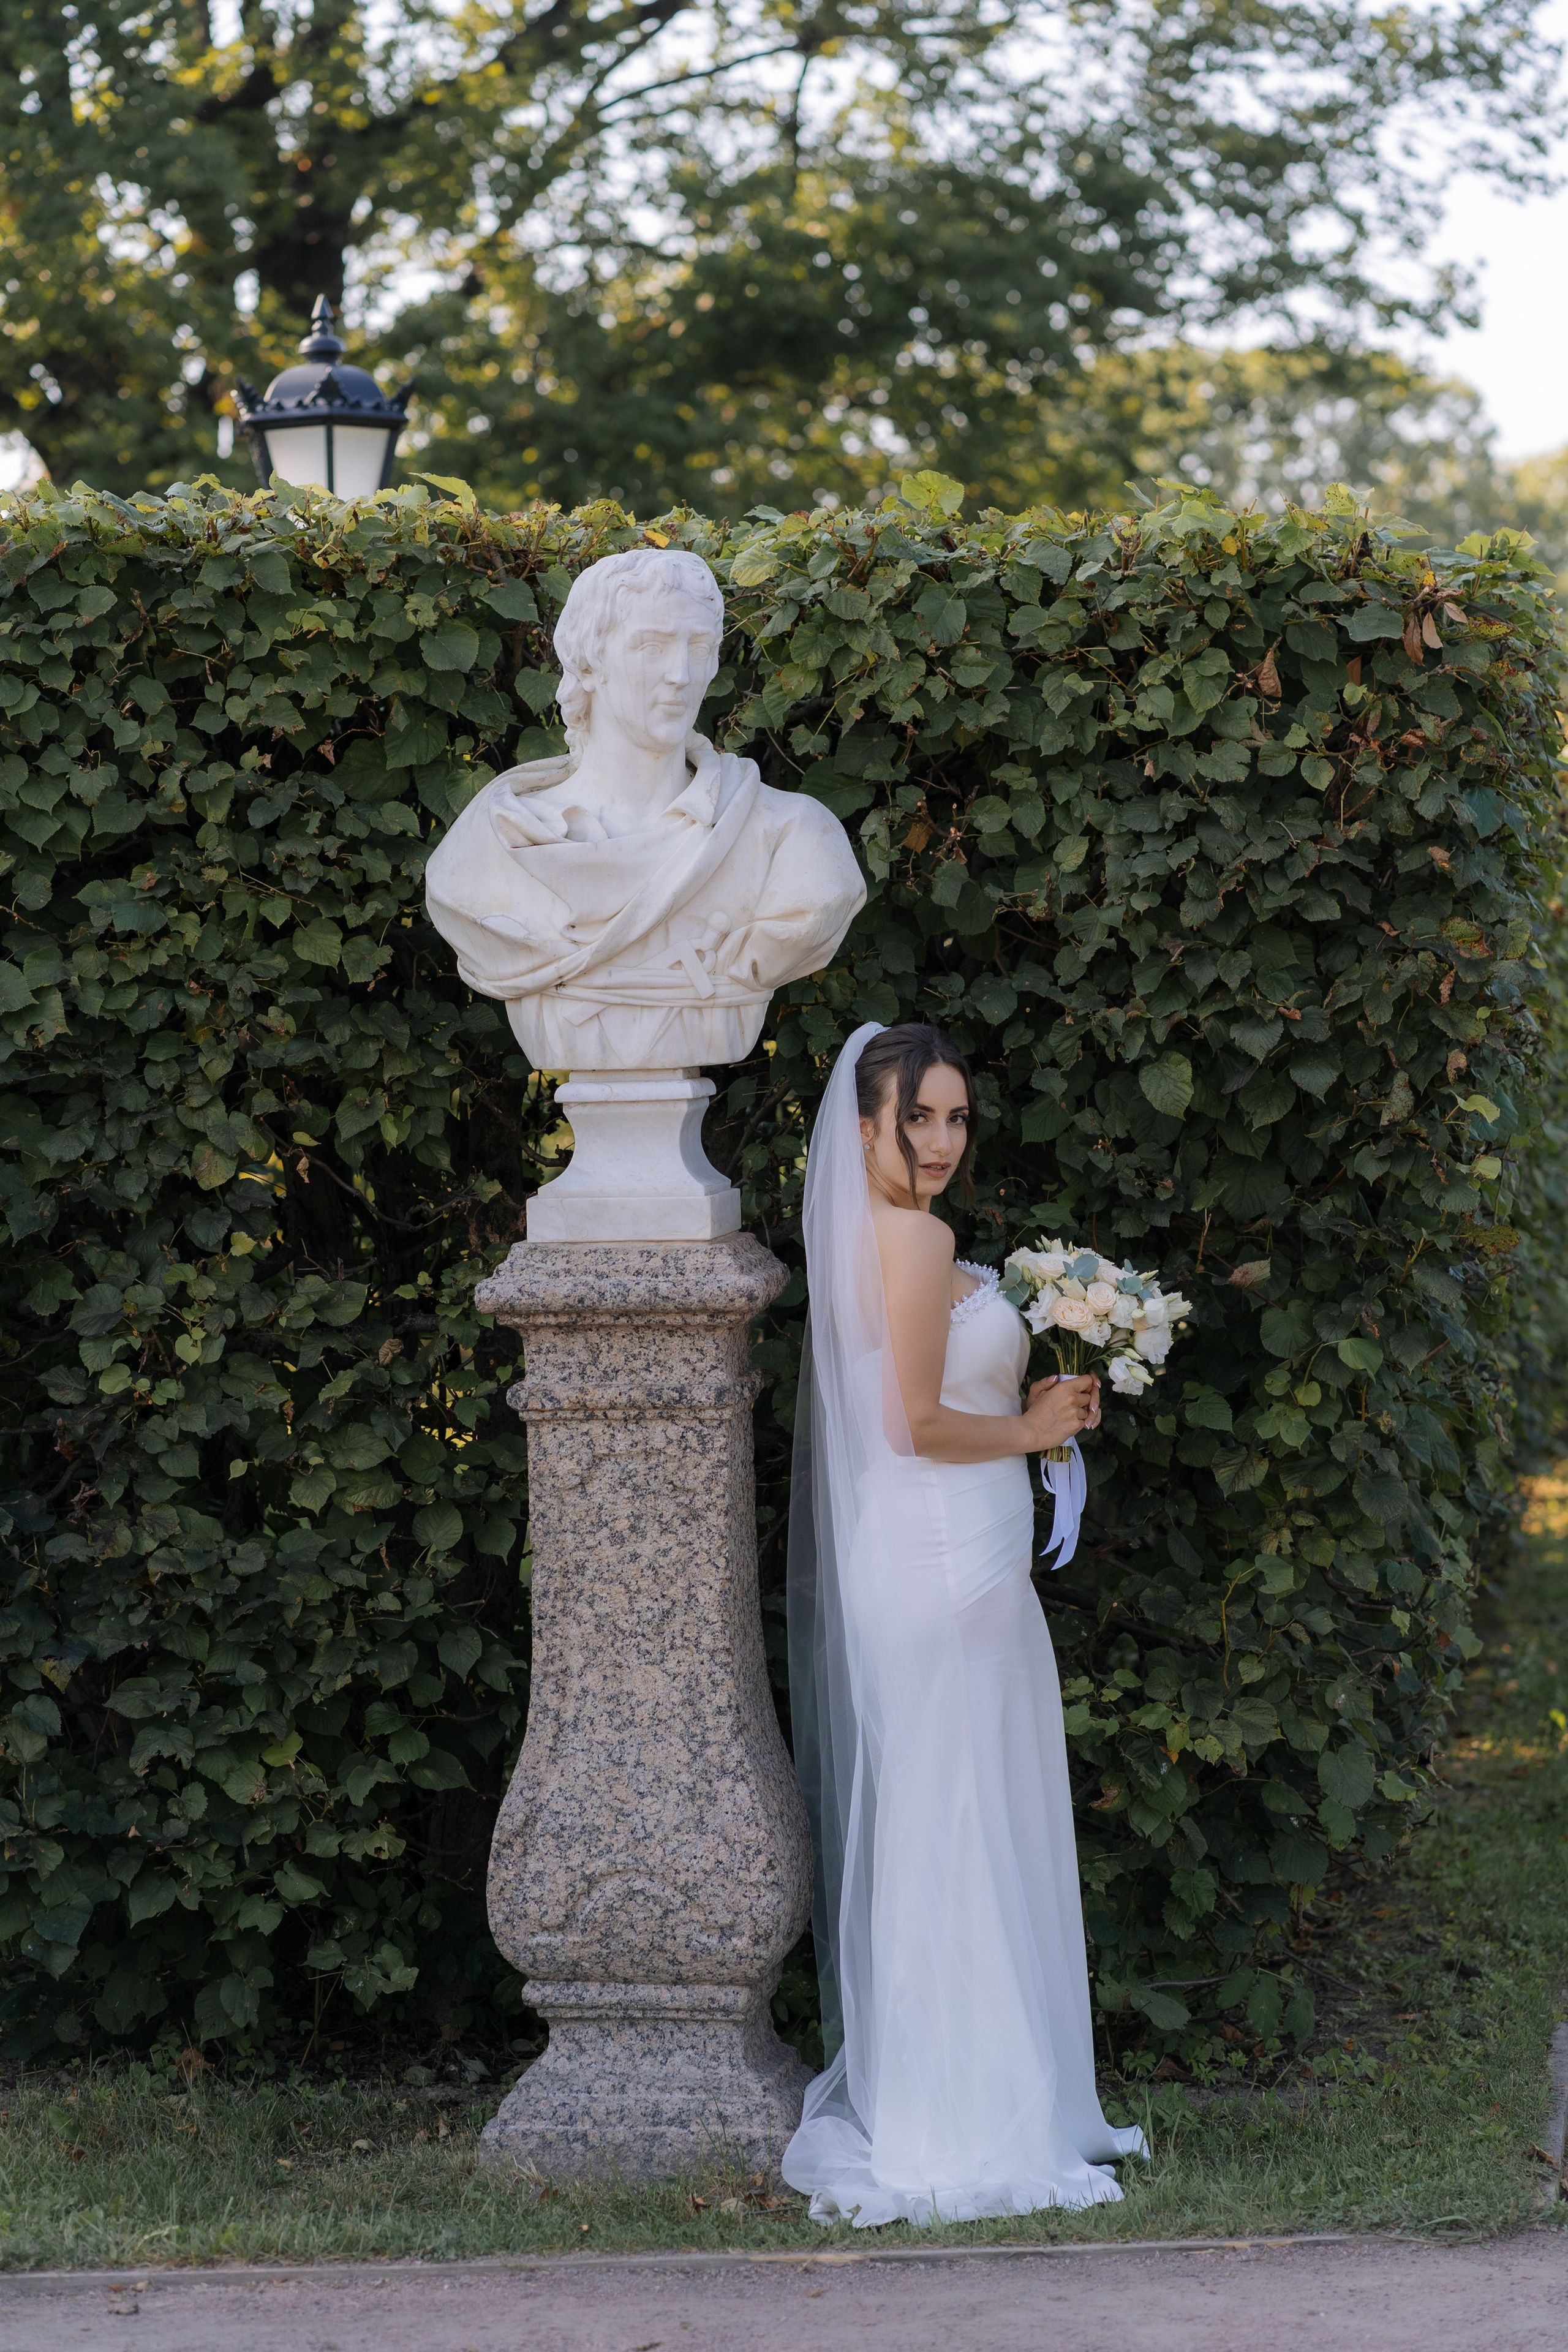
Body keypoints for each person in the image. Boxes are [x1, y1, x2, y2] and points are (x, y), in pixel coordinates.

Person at [782, 1020, 1148, 2226]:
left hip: (949, 1558)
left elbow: (936, 1398)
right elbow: (914, 1428)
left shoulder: (887, 1242)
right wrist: (1032, 1432)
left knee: (966, 1818)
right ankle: (968, 2119)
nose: (939, 1141)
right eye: (916, 1118)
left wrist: (1033, 1396)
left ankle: (1002, 2099)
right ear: (866, 1127)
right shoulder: (910, 1240)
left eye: (955, 1117)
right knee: (955, 1824)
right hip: (938, 1560)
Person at [424, 546, 865, 1072]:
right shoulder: (491, 848)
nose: (680, 674)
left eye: (699, 647)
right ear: (588, 664)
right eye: (652, 646)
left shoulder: (793, 838)